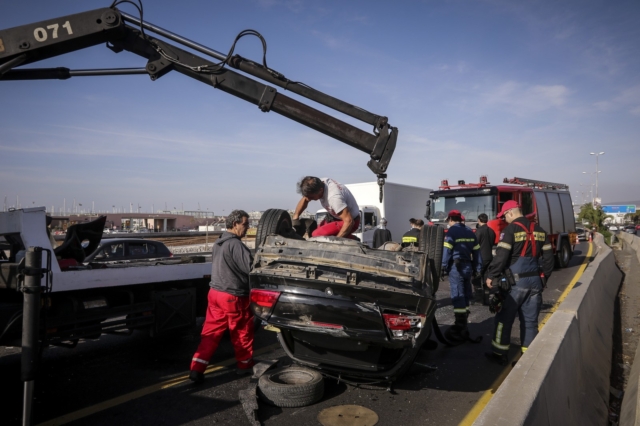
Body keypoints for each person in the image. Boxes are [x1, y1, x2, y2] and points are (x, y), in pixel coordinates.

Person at [485, 200, 554, 364]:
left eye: (504, 216)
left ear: (510, 213)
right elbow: (549, 260)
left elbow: (501, 256)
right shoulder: (540, 231)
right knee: (530, 322)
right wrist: (543, 279)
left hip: (515, 284)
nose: (504, 220)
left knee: (504, 319)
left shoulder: (510, 230)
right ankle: (528, 360)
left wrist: (491, 276)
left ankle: (499, 354)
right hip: (536, 281)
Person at [190, 210, 254, 384]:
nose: (248, 228)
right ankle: (245, 366)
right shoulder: (236, 245)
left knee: (210, 333)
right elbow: (251, 269)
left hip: (215, 294)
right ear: (235, 224)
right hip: (233, 297)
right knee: (241, 332)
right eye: (245, 224)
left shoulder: (218, 242)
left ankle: (197, 369)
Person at [441, 209, 482, 343]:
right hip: (468, 266)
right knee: (465, 293)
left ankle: (459, 325)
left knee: (458, 294)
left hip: (456, 267)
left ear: (451, 220)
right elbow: (477, 252)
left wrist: (443, 266)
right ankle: (464, 323)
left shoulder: (452, 232)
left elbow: (447, 251)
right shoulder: (470, 231)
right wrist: (478, 268)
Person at [293, 176, 360, 238]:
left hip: (350, 221)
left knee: (317, 235)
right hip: (334, 217)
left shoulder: (334, 198)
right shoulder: (318, 183)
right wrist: (295, 217)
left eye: (311, 197)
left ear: (321, 190)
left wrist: (336, 242)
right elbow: (305, 199)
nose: (308, 199)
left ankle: (351, 239)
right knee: (317, 232)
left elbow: (349, 221)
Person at [473, 213, 496, 304]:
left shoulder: (479, 231)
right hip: (489, 257)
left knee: (477, 277)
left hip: (480, 258)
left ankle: (478, 298)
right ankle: (486, 297)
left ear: (479, 220)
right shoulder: (491, 231)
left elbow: (475, 244)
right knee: (486, 277)